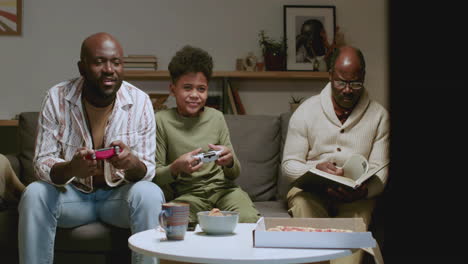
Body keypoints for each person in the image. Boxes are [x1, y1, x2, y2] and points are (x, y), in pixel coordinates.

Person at [18, 32, 164, 264]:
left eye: (116, 62)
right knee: (34, 193)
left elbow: (147, 170)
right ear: (82, 67)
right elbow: (41, 164)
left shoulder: (141, 101)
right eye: (99, 62)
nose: (109, 69)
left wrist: (131, 163)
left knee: (150, 193)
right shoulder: (57, 97)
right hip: (72, 199)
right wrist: (71, 168)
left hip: (117, 199)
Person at [282, 46, 389, 264]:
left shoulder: (379, 116)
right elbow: (289, 165)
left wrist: (364, 192)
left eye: (355, 83)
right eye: (341, 82)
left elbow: (382, 169)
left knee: (355, 224)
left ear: (364, 77)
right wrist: (313, 169)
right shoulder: (306, 110)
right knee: (302, 203)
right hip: (310, 193)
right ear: (330, 75)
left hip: (356, 199)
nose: (348, 90)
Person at [153, 45, 260, 225]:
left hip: (223, 191)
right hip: (188, 196)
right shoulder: (161, 120)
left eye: (201, 89)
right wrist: (176, 167)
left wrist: (229, 161)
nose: (195, 95)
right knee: (172, 221)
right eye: (187, 88)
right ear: (172, 89)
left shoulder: (216, 117)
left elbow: (234, 173)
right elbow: (154, 175)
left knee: (248, 219)